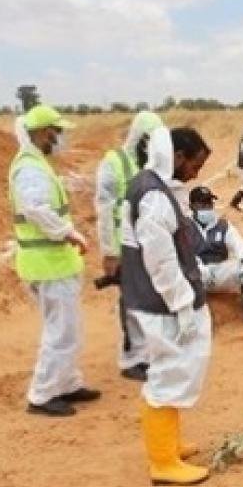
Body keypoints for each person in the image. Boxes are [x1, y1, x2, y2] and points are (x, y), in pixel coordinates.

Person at [121, 126, 214, 486]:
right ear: (177, 157)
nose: (196, 174)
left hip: (157, 299)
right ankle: (162, 462)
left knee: (175, 371)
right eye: (195, 165)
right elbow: (160, 260)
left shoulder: (152, 187)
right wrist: (182, 303)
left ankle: (170, 446)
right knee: (168, 374)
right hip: (161, 302)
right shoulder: (154, 196)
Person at [8, 104, 100, 417]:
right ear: (43, 132)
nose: (59, 138)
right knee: (60, 333)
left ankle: (67, 383)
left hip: (54, 264)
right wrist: (67, 232)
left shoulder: (36, 164)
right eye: (56, 132)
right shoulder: (30, 169)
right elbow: (35, 208)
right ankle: (43, 394)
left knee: (68, 330)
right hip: (47, 265)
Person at [94, 110, 163, 381]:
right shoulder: (114, 163)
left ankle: (147, 354)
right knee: (132, 304)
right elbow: (104, 209)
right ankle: (132, 359)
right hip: (125, 246)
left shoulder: (152, 164)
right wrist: (110, 252)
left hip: (148, 245)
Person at [187, 185, 243, 327]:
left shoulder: (223, 225)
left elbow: (240, 245)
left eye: (209, 203)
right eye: (202, 204)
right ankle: (191, 318)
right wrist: (197, 266)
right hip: (197, 274)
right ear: (192, 206)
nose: (207, 208)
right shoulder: (185, 227)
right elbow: (182, 252)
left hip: (218, 271)